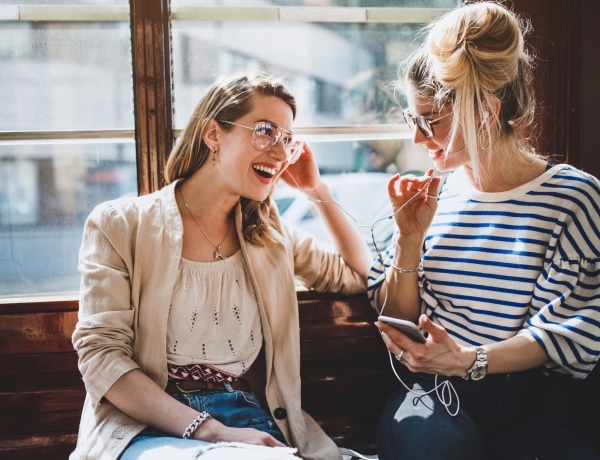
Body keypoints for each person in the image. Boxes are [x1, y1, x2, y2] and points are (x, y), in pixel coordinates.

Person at [70, 71, 372, 460]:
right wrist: (210, 432)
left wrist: (317, 191)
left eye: (287, 141)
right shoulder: (119, 224)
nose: (280, 155)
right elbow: (101, 357)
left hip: (247, 420)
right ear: (214, 135)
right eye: (265, 132)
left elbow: (357, 275)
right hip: (146, 425)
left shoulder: (269, 234)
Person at [367, 2, 600, 460]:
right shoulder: (429, 198)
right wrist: (408, 241)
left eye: (428, 120)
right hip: (431, 396)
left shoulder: (573, 198)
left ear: (486, 112)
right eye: (411, 119)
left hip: (530, 402)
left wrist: (468, 360)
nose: (417, 138)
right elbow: (395, 322)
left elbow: (564, 332)